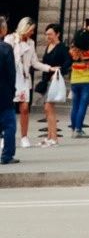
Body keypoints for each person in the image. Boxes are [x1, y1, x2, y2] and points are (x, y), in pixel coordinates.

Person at [7, 18, 49, 150]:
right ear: (25, 28)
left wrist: (49, 68)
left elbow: (34, 62)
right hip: (10, 77)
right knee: (6, 109)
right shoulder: (11, 39)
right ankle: (4, 136)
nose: (32, 32)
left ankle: (24, 137)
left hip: (24, 78)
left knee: (24, 108)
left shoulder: (31, 43)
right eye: (31, 30)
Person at [40, 23, 71, 146]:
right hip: (47, 80)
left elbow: (68, 61)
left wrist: (59, 71)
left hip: (54, 81)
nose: (48, 36)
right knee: (47, 109)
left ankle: (54, 138)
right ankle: (49, 136)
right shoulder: (48, 46)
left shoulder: (62, 47)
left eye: (50, 34)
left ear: (57, 34)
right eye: (46, 34)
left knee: (49, 107)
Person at [68, 26, 89, 138]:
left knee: (75, 105)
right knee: (83, 105)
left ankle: (73, 129)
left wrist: (80, 32)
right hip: (87, 79)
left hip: (75, 79)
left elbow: (74, 41)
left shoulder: (72, 50)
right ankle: (78, 129)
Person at [0, 30, 16, 164]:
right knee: (9, 124)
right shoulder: (5, 48)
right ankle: (7, 155)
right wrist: (12, 90)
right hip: (3, 91)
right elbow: (11, 73)